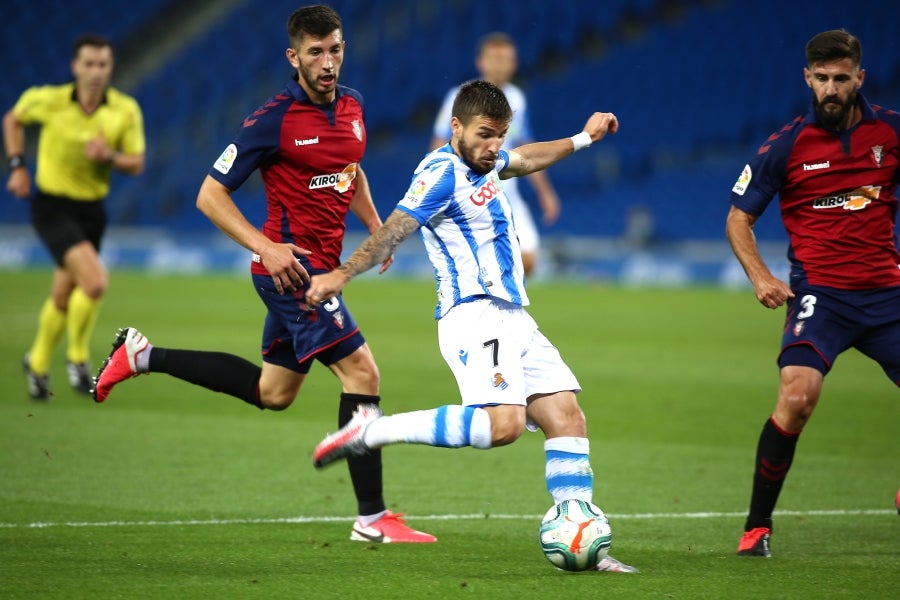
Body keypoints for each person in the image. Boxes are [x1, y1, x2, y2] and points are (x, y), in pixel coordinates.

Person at [91, 5, 435, 544]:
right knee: (363, 375)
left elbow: (350, 167)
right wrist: (265, 247)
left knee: (273, 391)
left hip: (321, 265)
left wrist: (372, 224)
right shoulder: (271, 119)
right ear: (292, 56)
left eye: (335, 50)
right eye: (316, 52)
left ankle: (142, 356)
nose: (328, 63)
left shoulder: (353, 106)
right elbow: (210, 195)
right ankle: (372, 520)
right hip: (292, 273)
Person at [306, 80, 637, 573]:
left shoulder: (486, 161)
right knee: (502, 426)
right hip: (474, 312)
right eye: (485, 135)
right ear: (456, 127)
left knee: (566, 416)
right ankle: (373, 429)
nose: (494, 147)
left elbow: (524, 159)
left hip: (513, 315)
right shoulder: (441, 171)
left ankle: (581, 533)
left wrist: (584, 138)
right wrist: (340, 274)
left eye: (499, 136)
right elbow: (395, 228)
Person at [725, 29, 900, 557]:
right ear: (807, 77)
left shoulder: (891, 132)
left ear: (859, 78)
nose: (830, 88)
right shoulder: (786, 145)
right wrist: (760, 276)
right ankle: (757, 527)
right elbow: (738, 218)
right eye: (821, 78)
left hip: (887, 296)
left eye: (840, 79)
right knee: (798, 396)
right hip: (821, 296)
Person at [3, 34, 145, 401]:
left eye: (103, 64)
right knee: (95, 282)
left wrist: (109, 156)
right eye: (89, 64)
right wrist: (17, 166)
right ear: (75, 67)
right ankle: (77, 359)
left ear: (110, 68)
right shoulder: (48, 100)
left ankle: (35, 364)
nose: (96, 72)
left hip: (91, 211)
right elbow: (12, 120)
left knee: (64, 295)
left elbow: (136, 162)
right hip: (52, 206)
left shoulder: (124, 109)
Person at [430, 32, 560, 278]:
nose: (499, 64)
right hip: (470, 194)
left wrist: (545, 192)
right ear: (480, 62)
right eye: (494, 58)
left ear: (514, 64)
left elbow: (526, 148)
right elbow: (438, 142)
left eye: (506, 59)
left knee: (529, 259)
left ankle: (499, 304)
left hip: (506, 191)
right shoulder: (460, 97)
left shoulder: (517, 100)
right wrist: (437, 186)